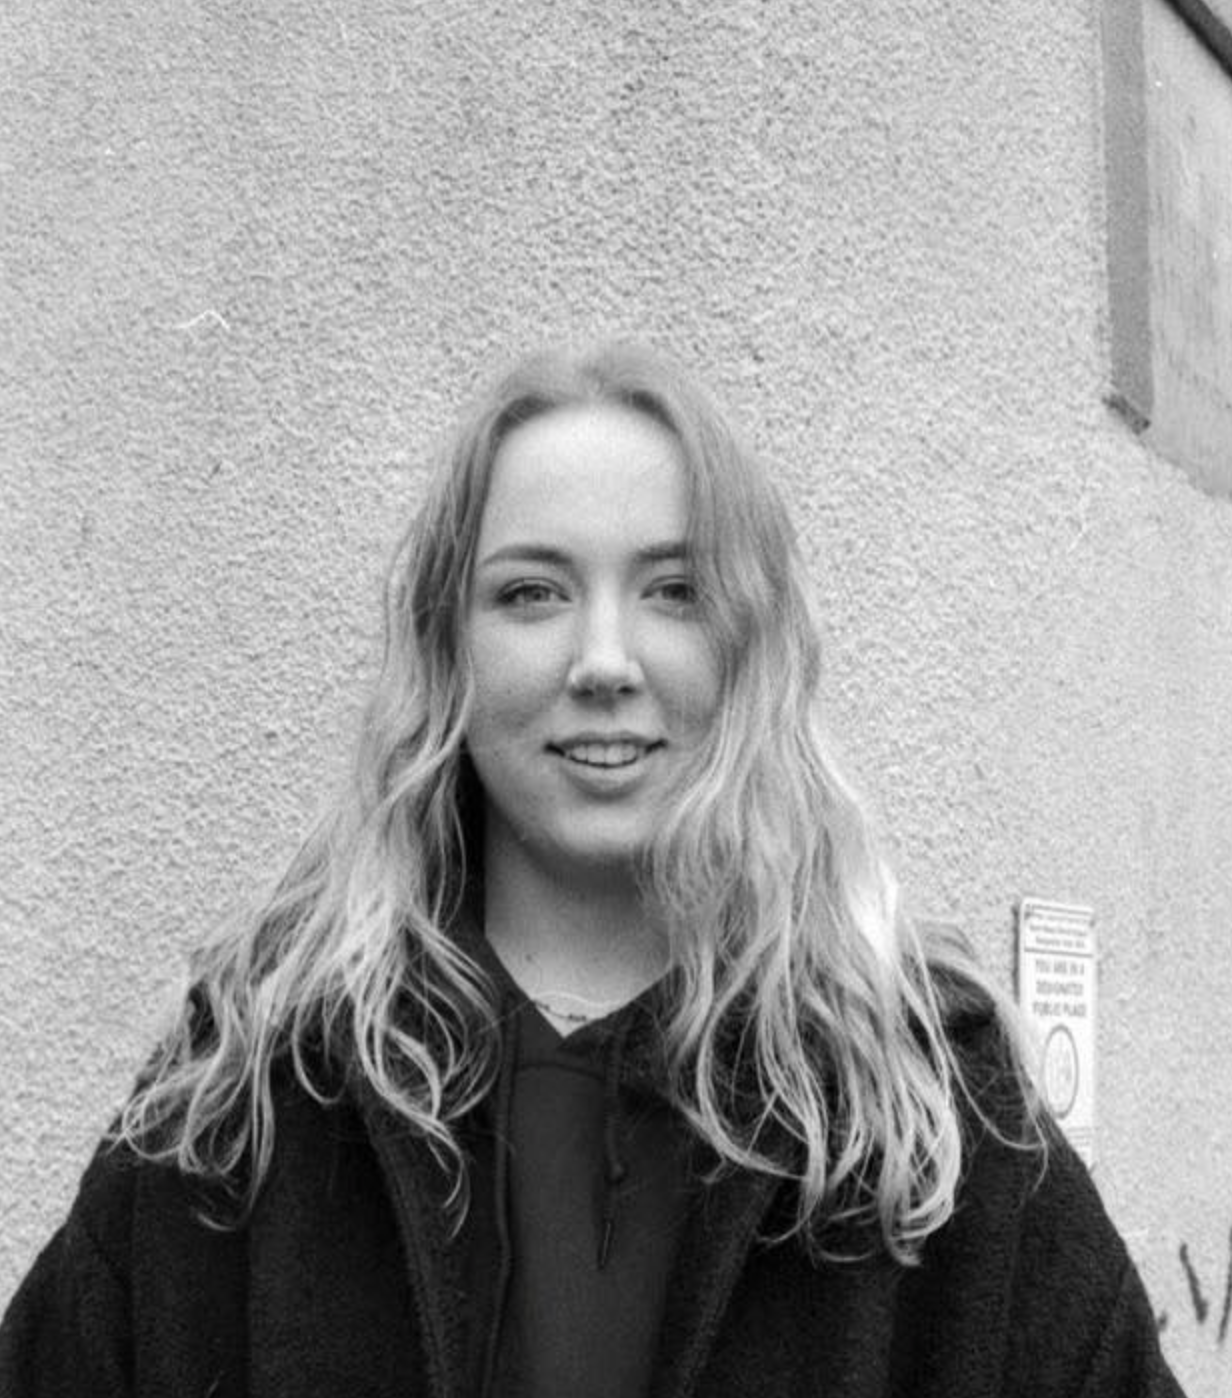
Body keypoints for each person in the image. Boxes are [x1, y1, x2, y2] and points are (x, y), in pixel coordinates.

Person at [0, 342, 1183, 1397]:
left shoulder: (924, 1108)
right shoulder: (255, 1085)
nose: (603, 660)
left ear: (746, 647)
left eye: (672, 591)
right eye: (531, 593)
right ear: (446, 649)